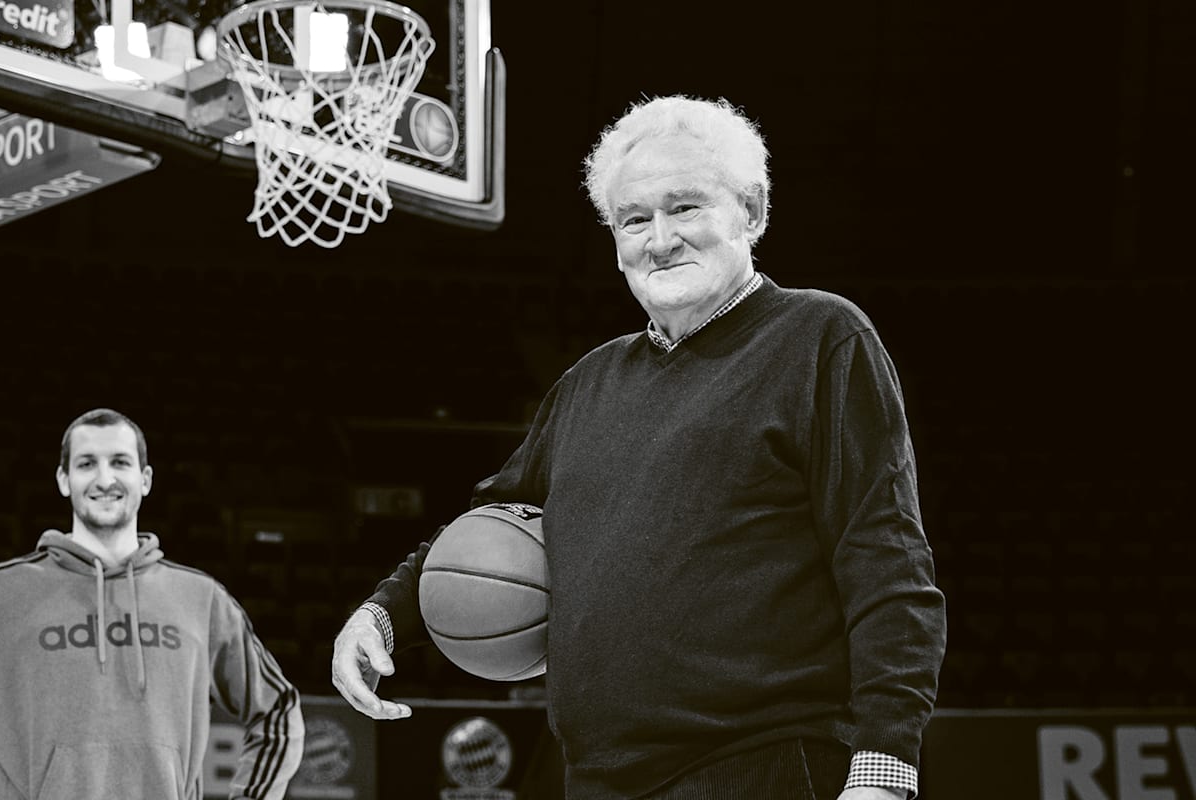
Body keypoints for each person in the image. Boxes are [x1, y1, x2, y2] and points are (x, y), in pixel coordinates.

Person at [331, 95, 946, 800]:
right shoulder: (588, 382)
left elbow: (885, 555)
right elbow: (490, 525)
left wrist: (884, 764)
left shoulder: (820, 338)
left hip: (762, 762)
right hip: (598, 779)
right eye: (634, 219)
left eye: (684, 208)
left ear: (752, 211)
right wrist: (380, 614)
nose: (659, 239)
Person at [0, 408, 303, 800]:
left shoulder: (200, 599)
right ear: (64, 480)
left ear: (144, 479)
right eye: (87, 464)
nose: (105, 479)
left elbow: (278, 708)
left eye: (120, 463)